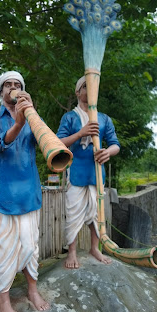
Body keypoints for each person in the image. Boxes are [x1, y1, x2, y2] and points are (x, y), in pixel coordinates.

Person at [0, 71, 50, 312]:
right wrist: (19, 122)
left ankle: (32, 290)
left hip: (29, 191)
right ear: (1, 92)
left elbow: (47, 143)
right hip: (3, 192)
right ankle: (3, 301)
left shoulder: (32, 116)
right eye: (7, 84)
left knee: (31, 246)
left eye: (17, 84)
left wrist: (29, 114)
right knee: (5, 247)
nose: (12, 87)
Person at [57, 76, 120, 269]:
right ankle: (73, 251)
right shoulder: (69, 117)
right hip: (76, 172)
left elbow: (115, 145)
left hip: (96, 173)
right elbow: (58, 143)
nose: (90, 90)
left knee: (96, 213)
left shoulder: (104, 119)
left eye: (93, 87)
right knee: (73, 212)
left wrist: (107, 152)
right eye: (86, 86)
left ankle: (95, 247)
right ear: (78, 92)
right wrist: (80, 133)